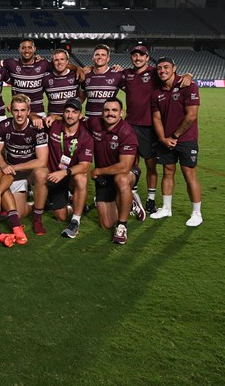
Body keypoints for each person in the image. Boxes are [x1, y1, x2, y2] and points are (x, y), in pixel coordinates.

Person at [122, 44, 194, 214]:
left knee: (151, 164)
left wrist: (188, 75)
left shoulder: (155, 72)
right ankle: (132, 197)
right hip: (130, 126)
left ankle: (151, 200)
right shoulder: (126, 74)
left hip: (149, 127)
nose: (138, 58)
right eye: (135, 55)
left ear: (147, 58)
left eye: (142, 56)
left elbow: (173, 75)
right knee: (130, 164)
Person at [150, 57, 203, 227]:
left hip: (186, 139)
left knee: (189, 175)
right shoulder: (156, 93)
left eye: (166, 67)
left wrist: (175, 136)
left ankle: (196, 213)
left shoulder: (188, 86)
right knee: (167, 172)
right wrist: (163, 138)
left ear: (174, 68)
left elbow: (192, 116)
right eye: (159, 68)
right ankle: (166, 208)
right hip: (166, 141)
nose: (162, 70)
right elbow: (156, 118)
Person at [85, 97, 146, 246]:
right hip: (105, 177)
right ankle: (130, 203)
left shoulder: (126, 132)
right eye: (106, 110)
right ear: (102, 112)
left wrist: (98, 170)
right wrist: (54, 117)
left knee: (121, 179)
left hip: (126, 172)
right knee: (106, 224)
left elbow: (125, 166)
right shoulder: (95, 123)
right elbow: (74, 121)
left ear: (121, 113)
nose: (110, 113)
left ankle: (122, 226)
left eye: (114, 110)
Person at [0, 94, 49, 235]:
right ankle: (39, 203)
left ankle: (37, 218)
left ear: (29, 112)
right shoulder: (3, 126)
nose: (19, 114)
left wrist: (14, 167)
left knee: (42, 173)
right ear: (11, 110)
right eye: (16, 110)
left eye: (23, 110)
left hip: (30, 171)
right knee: (20, 214)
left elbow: (42, 161)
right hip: (13, 172)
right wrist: (4, 166)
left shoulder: (37, 128)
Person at [44, 98, 94, 238]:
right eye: (67, 111)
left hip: (70, 175)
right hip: (55, 177)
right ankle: (77, 203)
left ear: (80, 115)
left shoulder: (86, 136)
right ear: (62, 113)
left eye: (74, 112)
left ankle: (75, 221)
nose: (70, 115)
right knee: (60, 217)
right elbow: (31, 117)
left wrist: (64, 172)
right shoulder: (53, 125)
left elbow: (85, 166)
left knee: (81, 178)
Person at [82, 44, 126, 118]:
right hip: (90, 119)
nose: (100, 57)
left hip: (108, 120)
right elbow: (81, 98)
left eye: (103, 55)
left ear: (108, 58)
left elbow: (132, 93)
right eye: (97, 55)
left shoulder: (117, 75)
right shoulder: (85, 75)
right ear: (93, 58)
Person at [41, 49, 81, 120]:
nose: (59, 62)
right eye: (56, 60)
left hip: (72, 119)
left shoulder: (76, 75)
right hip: (53, 120)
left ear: (67, 61)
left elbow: (84, 92)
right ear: (52, 63)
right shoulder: (46, 78)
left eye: (62, 59)